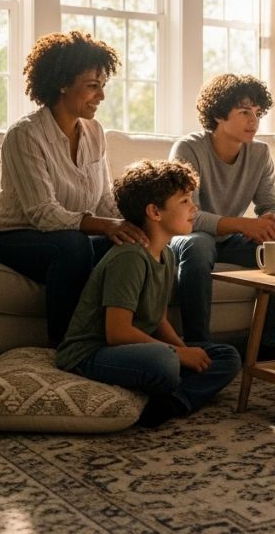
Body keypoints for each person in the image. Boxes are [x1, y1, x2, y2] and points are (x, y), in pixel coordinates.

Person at [0, 31, 149, 344]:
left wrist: (130, 228)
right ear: (62, 83)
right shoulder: (25, 135)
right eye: (92, 86)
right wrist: (104, 225)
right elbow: (44, 215)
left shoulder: (95, 131)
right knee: (73, 246)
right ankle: (66, 348)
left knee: (133, 247)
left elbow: (103, 202)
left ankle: (132, 341)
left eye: (102, 86)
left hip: (73, 237)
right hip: (14, 237)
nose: (101, 96)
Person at [55, 160, 241, 428]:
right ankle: (174, 389)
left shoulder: (166, 253)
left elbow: (157, 319)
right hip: (93, 353)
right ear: (155, 211)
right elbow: (116, 333)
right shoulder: (130, 257)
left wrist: (184, 349)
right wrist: (177, 355)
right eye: (185, 201)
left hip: (136, 349)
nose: (194, 208)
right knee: (164, 363)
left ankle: (174, 402)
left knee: (227, 356)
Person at [169, 74, 275, 352]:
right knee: (199, 244)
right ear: (218, 114)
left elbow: (271, 205)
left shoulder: (259, 153)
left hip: (230, 240)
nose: (254, 121)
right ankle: (199, 345)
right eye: (244, 112)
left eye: (257, 113)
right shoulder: (189, 148)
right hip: (188, 236)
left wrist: (273, 221)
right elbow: (187, 216)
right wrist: (243, 225)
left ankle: (272, 346)